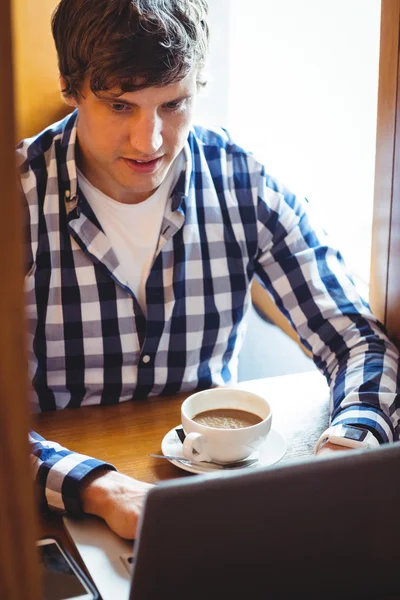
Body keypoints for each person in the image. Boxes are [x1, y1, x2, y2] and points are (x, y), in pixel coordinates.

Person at [19, 0, 399, 540]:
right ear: (69, 86)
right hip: (48, 513)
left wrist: (349, 445)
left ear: (200, 83)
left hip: (211, 503)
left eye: (173, 104)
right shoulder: (18, 197)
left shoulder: (245, 182)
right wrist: (102, 488)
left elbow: (357, 338)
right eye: (121, 107)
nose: (149, 142)